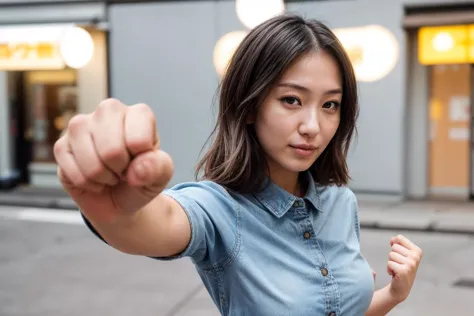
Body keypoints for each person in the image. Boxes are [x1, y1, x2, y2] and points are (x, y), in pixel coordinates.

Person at [53, 13, 422, 316]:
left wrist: (391, 295)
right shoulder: (220, 210)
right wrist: (113, 211)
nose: (313, 126)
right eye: (292, 100)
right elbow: (159, 221)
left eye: (330, 105)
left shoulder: (341, 203)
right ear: (249, 106)